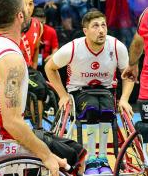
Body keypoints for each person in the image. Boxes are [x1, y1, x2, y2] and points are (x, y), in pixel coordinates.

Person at [0, 0, 80, 173]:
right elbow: (11, 122)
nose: (30, 10)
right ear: (20, 16)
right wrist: (46, 155)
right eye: (26, 7)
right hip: (3, 139)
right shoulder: (11, 58)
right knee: (73, 155)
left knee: (67, 146)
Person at [45, 11, 134, 174]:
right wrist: (63, 95)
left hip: (106, 91)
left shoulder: (116, 46)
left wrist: (125, 99)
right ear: (85, 31)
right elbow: (49, 67)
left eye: (103, 25)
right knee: (92, 109)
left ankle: (103, 159)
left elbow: (128, 75)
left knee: (107, 111)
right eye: (95, 26)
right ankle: (91, 158)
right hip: (79, 91)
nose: (101, 30)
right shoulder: (73, 48)